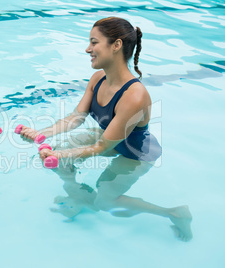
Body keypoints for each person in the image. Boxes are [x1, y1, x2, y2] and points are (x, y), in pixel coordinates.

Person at [18, 17, 192, 241]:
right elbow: (76, 118)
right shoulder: (98, 78)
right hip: (109, 137)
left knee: (104, 200)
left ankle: (174, 213)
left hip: (135, 152)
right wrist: (41, 134)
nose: (87, 49)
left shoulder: (134, 96)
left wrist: (61, 153)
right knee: (55, 158)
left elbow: (101, 146)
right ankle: (79, 195)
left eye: (94, 42)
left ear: (116, 45)